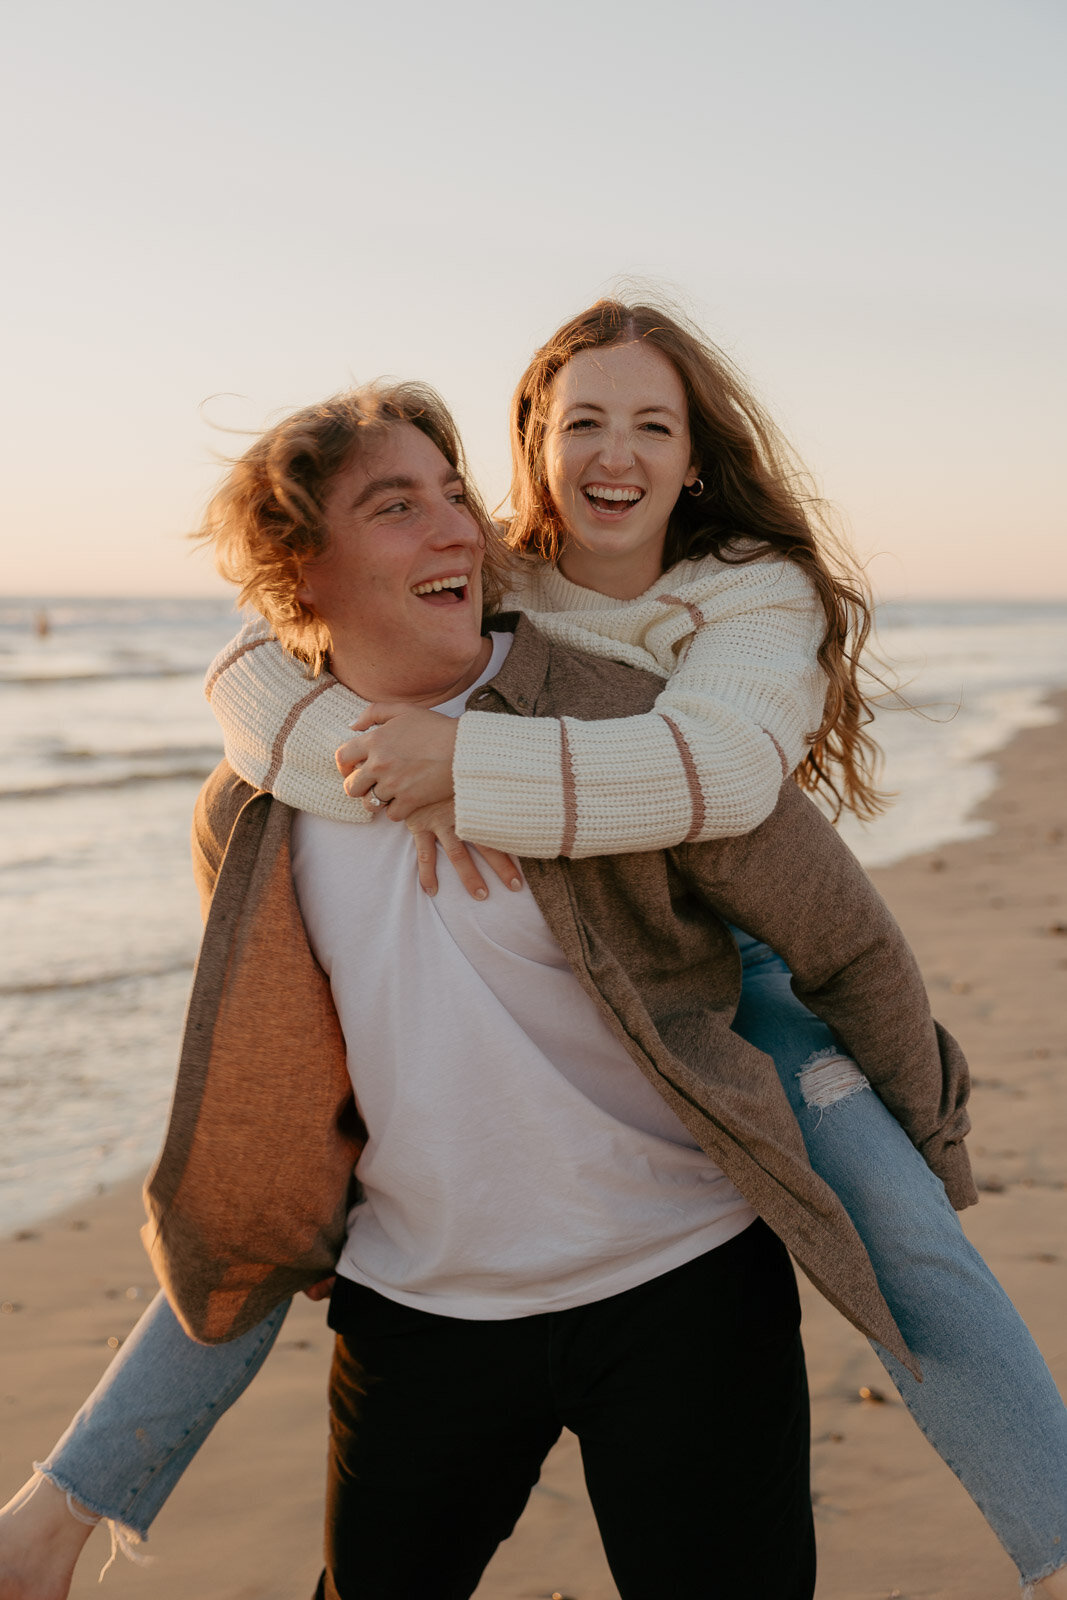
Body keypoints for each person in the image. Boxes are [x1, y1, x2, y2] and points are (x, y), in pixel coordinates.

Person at [2, 303, 1065, 1593]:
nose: (455, 524)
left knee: (903, 1227)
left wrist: (477, 769)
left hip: (699, 1196)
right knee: (247, 1219)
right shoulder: (282, 782)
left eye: (454, 496)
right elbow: (250, 683)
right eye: (402, 506)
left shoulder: (694, 661)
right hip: (422, 1316)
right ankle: (51, 1522)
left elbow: (787, 858)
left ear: (690, 459)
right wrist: (383, 771)